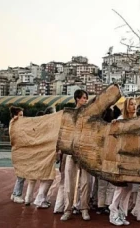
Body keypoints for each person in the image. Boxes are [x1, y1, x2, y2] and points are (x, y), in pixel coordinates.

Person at [61, 89, 92, 221]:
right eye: (84, 98)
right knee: (69, 181)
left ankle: (84, 208)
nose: (85, 100)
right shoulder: (69, 114)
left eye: (86, 98)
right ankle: (68, 209)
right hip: (71, 151)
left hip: (85, 151)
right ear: (77, 99)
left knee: (86, 182)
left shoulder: (90, 115)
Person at [109, 98, 137, 226]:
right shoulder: (120, 120)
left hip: (132, 158)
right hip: (121, 157)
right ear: (126, 106)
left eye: (135, 104)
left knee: (129, 188)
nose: (134, 107)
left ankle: (122, 213)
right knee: (120, 187)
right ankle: (113, 213)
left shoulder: (137, 121)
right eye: (131, 104)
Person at [9, 106, 25, 204]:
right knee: (21, 174)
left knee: (21, 174)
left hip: (20, 151)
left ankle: (15, 193)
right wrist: (14, 121)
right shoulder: (13, 123)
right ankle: (17, 194)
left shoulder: (18, 125)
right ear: (15, 116)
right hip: (18, 152)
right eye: (21, 115)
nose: (23, 117)